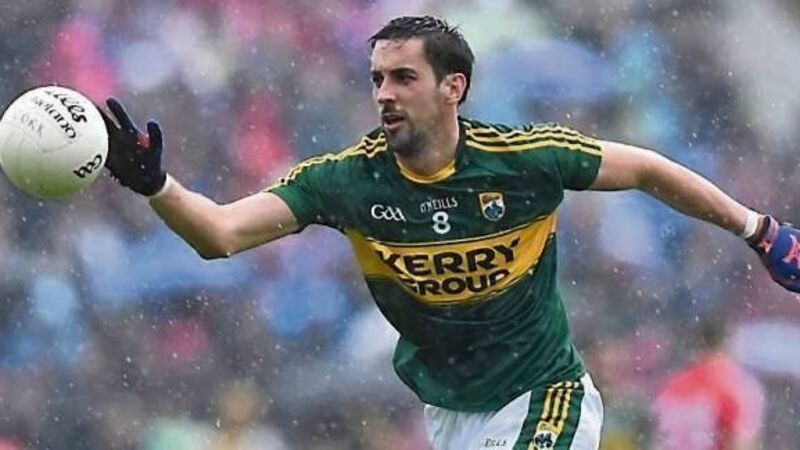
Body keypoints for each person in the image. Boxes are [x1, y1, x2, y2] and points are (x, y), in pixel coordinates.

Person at [99, 15, 800, 450]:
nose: (384, 94)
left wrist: (758, 229)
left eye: (403, 78)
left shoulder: (523, 159)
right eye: (377, 78)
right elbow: (220, 235)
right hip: (450, 415)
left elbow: (645, 168)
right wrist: (156, 185)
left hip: (544, 393)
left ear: (452, 88)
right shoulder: (346, 181)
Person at [652, 320, 765, 450]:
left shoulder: (671, 387)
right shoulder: (734, 384)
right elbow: (740, 442)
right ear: (727, 345)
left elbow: (657, 437)